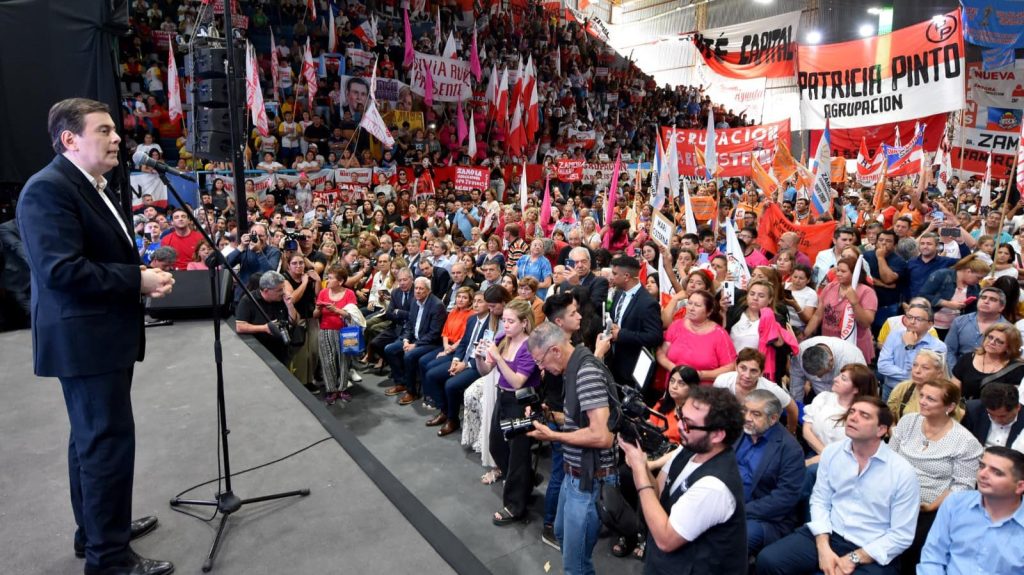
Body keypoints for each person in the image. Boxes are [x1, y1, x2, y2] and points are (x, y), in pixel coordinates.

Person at [18, 98, 175, 575]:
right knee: (105, 443)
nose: (116, 139)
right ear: (70, 139)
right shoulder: (48, 190)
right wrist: (137, 280)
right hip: (86, 341)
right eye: (104, 130)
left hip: (96, 337)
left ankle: (97, 532)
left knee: (89, 441)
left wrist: (138, 274)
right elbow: (62, 271)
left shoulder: (89, 185)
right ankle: (109, 560)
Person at [756, 397, 920, 575]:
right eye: (852, 412)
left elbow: (901, 535)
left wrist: (855, 558)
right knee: (769, 560)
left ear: (881, 430)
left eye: (864, 415)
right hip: (830, 534)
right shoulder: (833, 452)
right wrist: (823, 546)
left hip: (872, 547)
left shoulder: (902, 472)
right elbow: (820, 500)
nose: (853, 418)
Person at [619, 387, 748, 575]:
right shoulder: (689, 447)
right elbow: (658, 493)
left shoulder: (714, 487)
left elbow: (665, 539)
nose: (679, 426)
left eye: (687, 423)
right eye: (680, 416)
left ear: (717, 435)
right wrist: (642, 463)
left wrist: (639, 467)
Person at [527, 321, 618, 574]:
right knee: (561, 533)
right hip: (574, 471)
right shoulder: (574, 366)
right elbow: (582, 421)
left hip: (590, 480)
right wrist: (554, 418)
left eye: (540, 360)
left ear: (555, 350)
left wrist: (555, 438)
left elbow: (602, 436)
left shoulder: (585, 373)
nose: (541, 368)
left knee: (575, 566)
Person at [889, 378, 984, 571]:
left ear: (949, 406)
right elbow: (889, 459)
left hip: (930, 508)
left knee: (914, 545)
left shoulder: (965, 441)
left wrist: (931, 506)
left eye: (931, 399)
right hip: (892, 495)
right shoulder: (908, 421)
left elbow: (962, 486)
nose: (922, 401)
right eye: (922, 395)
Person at [478, 299, 540, 527]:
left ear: (524, 323)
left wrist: (499, 356)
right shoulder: (501, 339)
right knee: (496, 445)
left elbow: (517, 381)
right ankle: (526, 481)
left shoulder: (530, 346)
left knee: (518, 455)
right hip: (502, 398)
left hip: (520, 402)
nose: (505, 325)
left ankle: (515, 506)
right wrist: (479, 356)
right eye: (504, 320)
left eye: (511, 321)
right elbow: (486, 370)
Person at [918, 446, 1024, 575]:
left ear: (1020, 486)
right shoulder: (955, 503)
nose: (983, 474)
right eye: (982, 466)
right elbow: (933, 557)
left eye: (997, 472)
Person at [737, 390, 805, 555]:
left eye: (756, 414)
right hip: (726, 501)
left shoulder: (790, 449)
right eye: (745, 411)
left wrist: (740, 510)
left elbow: (785, 497)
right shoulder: (738, 432)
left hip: (763, 517)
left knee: (735, 539)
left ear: (773, 418)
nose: (747, 417)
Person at [422, 291, 489, 436]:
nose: (476, 304)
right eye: (475, 301)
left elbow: (486, 353)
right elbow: (464, 343)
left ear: (489, 304)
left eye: (480, 301)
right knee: (431, 375)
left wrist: (465, 364)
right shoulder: (472, 319)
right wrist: (456, 360)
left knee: (450, 385)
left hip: (477, 364)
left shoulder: (491, 324)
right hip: (463, 359)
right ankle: (445, 411)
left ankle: (453, 420)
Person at [606, 255, 664, 398]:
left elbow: (655, 336)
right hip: (614, 364)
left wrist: (622, 335)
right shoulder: (619, 293)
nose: (611, 277)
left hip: (632, 371)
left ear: (626, 276)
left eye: (614, 274)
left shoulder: (648, 303)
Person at [383, 276, 446, 405]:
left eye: (421, 289)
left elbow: (434, 334)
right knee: (389, 349)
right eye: (416, 288)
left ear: (428, 291)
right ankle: (401, 383)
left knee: (409, 355)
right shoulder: (414, 301)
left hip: (430, 343)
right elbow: (410, 325)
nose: (417, 291)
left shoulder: (437, 305)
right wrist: (406, 340)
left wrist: (415, 345)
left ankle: (412, 392)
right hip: (413, 339)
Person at [804, 256, 878, 363]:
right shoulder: (830, 287)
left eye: (843, 271)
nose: (838, 274)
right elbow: (817, 316)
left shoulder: (866, 292)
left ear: (854, 273)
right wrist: (805, 335)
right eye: (837, 270)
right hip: (830, 344)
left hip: (855, 344)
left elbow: (866, 322)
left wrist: (855, 303)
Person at [803, 363, 879, 465]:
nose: (835, 379)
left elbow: (851, 453)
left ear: (856, 389)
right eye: (839, 375)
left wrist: (820, 459)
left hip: (843, 462)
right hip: (815, 452)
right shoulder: (823, 397)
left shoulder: (860, 416)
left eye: (843, 378)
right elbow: (807, 428)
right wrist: (824, 454)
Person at [656, 289, 736, 386]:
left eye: (697, 305)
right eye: (689, 303)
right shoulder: (676, 325)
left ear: (709, 312)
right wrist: (674, 368)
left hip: (702, 393)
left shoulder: (720, 334)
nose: (691, 308)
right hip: (673, 389)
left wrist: (700, 374)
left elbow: (730, 367)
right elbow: (661, 353)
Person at [714, 348, 799, 432]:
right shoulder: (722, 381)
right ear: (736, 366)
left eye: (753, 371)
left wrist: (791, 431)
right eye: (743, 368)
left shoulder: (771, 389)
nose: (747, 375)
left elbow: (793, 409)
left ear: (761, 373)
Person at [876, 299, 946, 399]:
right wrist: (909, 375)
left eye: (918, 319)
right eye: (909, 317)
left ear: (930, 324)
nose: (912, 322)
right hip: (890, 390)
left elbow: (925, 376)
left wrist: (910, 347)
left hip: (919, 393)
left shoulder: (938, 346)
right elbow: (882, 366)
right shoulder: (894, 335)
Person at [235, 271, 300, 364]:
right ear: (266, 291)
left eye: (283, 289)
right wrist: (264, 328)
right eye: (279, 290)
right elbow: (240, 326)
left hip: (282, 351)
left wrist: (290, 306)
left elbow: (294, 321)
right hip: (259, 353)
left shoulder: (282, 299)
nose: (283, 292)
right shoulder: (248, 301)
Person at [315, 265, 358, 404]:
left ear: (340, 281)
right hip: (326, 329)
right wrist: (317, 309)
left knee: (344, 360)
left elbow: (352, 315)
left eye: (331, 278)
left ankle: (343, 388)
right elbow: (316, 315)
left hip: (346, 331)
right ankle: (331, 389)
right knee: (327, 360)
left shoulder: (349, 293)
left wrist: (336, 310)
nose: (327, 280)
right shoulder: (323, 293)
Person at [951, 323, 1024, 401]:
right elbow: (953, 390)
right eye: (990, 337)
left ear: (1009, 347)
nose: (992, 342)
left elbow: (1011, 400)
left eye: (999, 341)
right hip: (963, 409)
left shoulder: (1017, 368)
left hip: (994, 411)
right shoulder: (967, 358)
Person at [943, 286, 1010, 370]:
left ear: (1001, 307)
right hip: (958, 370)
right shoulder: (959, 321)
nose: (986, 301)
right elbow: (949, 350)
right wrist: (955, 372)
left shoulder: (1008, 329)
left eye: (992, 299)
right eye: (983, 297)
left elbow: (1007, 357)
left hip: (989, 374)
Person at [886, 350, 962, 424]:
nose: (917, 371)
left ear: (939, 373)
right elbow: (890, 418)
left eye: (925, 368)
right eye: (915, 365)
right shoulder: (902, 388)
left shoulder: (948, 393)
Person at [789, 336, 867, 403]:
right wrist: (797, 410)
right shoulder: (799, 353)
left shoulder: (853, 359)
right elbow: (796, 386)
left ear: (831, 361)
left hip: (845, 399)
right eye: (814, 375)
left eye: (821, 374)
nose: (819, 377)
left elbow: (860, 391)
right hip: (818, 396)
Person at [961, 383, 1024, 448]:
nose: (996, 420)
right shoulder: (972, 410)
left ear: (1018, 407)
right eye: (991, 415)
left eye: (1002, 416)